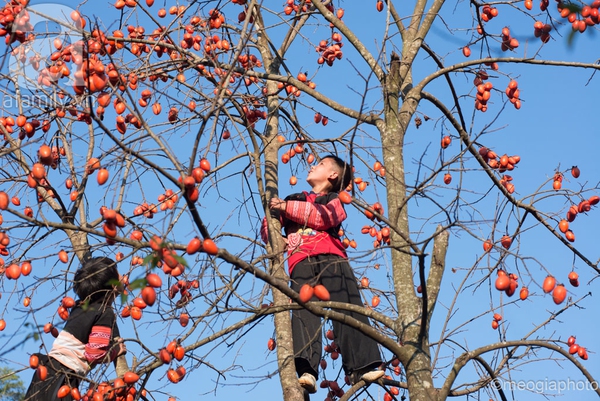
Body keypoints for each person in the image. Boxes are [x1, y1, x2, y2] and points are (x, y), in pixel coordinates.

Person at [265, 154, 384, 395]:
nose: (312, 165)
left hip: (332, 257)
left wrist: (285, 208)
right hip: (300, 260)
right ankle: (307, 369)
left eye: (319, 164)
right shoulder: (293, 198)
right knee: (304, 310)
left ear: (333, 175)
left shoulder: (333, 199)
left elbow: (324, 217)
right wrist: (276, 224)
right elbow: (269, 235)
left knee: (348, 307)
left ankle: (363, 364)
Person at [24, 256, 127, 401]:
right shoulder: (105, 312)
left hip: (44, 372)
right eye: (118, 274)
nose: (123, 277)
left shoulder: (79, 306)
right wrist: (116, 350)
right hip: (62, 377)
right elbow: (95, 353)